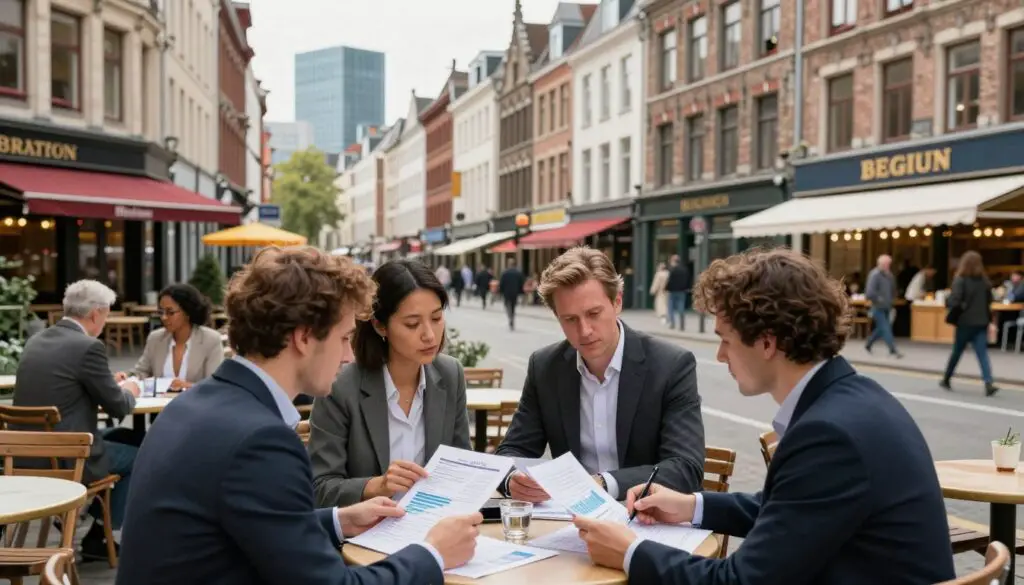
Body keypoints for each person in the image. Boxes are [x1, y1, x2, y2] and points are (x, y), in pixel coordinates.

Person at [571, 248, 956, 585]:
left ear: (768, 342)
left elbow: (742, 579)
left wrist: (630, 551)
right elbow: (794, 509)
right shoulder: (855, 396)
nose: (720, 356)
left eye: (726, 339)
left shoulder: (828, 434)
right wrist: (692, 505)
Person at [115, 247, 482, 585]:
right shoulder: (261, 439)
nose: (348, 357)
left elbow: (252, 523)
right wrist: (433, 553)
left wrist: (340, 520)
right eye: (343, 338)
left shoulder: (194, 405)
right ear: (304, 338)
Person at [495, 247, 705, 502]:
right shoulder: (545, 367)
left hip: (647, 517)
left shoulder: (671, 365)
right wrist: (512, 480)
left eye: (593, 314)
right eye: (570, 319)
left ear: (617, 302)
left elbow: (685, 468)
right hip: (570, 521)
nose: (584, 331)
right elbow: (514, 449)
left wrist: (603, 484)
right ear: (556, 317)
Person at [309, 260, 471, 507]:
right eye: (412, 324)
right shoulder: (341, 387)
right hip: (364, 533)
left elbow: (461, 465)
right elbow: (319, 488)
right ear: (380, 325)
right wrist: (376, 486)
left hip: (433, 523)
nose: (429, 334)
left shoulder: (450, 374)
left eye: (437, 318)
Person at [13, 279, 140, 560]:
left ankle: (84, 521)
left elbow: (66, 386)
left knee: (125, 438)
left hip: (23, 455)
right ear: (96, 313)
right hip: (67, 458)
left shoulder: (36, 341)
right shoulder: (87, 347)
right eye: (106, 315)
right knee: (140, 455)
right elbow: (119, 407)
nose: (105, 322)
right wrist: (132, 388)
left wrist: (107, 382)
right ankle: (97, 532)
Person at [117, 283, 223, 390]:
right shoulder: (156, 338)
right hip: (158, 406)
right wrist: (125, 377)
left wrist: (187, 386)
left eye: (170, 312)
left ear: (188, 312)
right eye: (161, 312)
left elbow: (215, 385)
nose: (164, 317)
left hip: (197, 404)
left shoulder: (211, 340)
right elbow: (141, 371)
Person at [941, 251, 999, 396]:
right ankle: (988, 382)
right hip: (981, 322)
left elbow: (955, 300)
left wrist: (947, 300)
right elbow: (990, 300)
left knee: (957, 352)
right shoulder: (984, 281)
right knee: (982, 353)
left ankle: (947, 378)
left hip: (965, 322)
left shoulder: (960, 279)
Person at [864, 254, 903, 358]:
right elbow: (869, 292)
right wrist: (878, 299)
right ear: (879, 264)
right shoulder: (874, 275)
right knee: (886, 328)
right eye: (885, 264)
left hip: (887, 306)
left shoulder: (890, 275)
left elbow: (893, 289)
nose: (887, 266)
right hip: (877, 307)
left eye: (888, 264)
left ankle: (869, 344)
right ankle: (893, 349)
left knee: (881, 328)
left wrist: (893, 298)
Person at [498, 258, 526, 330]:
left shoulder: (505, 273)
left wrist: (500, 292)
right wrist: (521, 293)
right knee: (513, 306)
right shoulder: (518, 273)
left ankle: (510, 317)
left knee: (507, 305)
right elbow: (521, 283)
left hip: (506, 293)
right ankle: (512, 317)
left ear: (508, 264)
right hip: (515, 292)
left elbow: (501, 283)